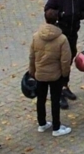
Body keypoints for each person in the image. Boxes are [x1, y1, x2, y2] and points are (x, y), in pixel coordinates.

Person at [44, 0, 84, 109]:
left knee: (68, 61)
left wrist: (78, 15)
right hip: (60, 34)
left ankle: (64, 85)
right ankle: (57, 94)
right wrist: (61, 15)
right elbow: (48, 10)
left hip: (72, 33)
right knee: (59, 62)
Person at [28, 8, 72, 136]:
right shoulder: (62, 39)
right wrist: (65, 75)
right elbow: (65, 60)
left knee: (41, 99)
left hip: (40, 74)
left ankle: (42, 124)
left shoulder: (36, 36)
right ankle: (56, 127)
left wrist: (32, 71)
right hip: (55, 75)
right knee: (55, 99)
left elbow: (32, 56)